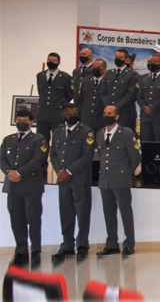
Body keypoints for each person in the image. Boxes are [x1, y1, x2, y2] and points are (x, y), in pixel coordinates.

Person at [2, 109, 48, 267]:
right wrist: (10, 174)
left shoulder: (39, 139)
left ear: (31, 122)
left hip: (31, 186)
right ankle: (21, 248)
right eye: (19, 119)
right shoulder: (8, 140)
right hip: (13, 186)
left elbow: (38, 160)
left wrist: (19, 173)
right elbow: (2, 159)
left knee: (34, 219)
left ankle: (35, 249)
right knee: (16, 219)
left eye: (25, 120)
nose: (21, 122)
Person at [50, 103, 95, 264]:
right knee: (66, 213)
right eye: (69, 114)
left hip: (79, 178)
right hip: (63, 180)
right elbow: (53, 154)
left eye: (75, 113)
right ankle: (67, 244)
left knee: (82, 212)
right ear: (63, 116)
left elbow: (87, 155)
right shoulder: (58, 132)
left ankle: (82, 244)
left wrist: (68, 172)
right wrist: (59, 171)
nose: (72, 116)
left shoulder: (86, 131)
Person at [96, 104, 142, 257]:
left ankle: (129, 244)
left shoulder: (126, 134)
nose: (105, 115)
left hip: (121, 179)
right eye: (104, 113)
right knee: (108, 213)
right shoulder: (100, 133)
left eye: (109, 113)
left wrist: (125, 173)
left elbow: (135, 157)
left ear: (117, 117)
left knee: (125, 212)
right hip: (105, 180)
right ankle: (111, 244)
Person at [36, 52, 74, 146]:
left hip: (57, 115)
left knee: (58, 141)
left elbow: (70, 94)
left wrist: (60, 104)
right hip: (43, 114)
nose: (51, 62)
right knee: (41, 141)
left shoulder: (65, 77)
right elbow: (41, 93)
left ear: (58, 62)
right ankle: (42, 160)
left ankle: (56, 160)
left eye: (54, 60)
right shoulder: (40, 76)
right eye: (49, 60)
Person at [137, 55, 160, 142]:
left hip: (159, 116)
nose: (151, 64)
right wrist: (145, 108)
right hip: (145, 116)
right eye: (149, 62)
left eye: (154, 62)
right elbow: (139, 96)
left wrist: (152, 108)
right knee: (145, 143)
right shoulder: (144, 78)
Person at [103, 49, 138, 131]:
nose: (117, 59)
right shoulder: (108, 73)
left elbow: (131, 94)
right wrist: (108, 107)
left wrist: (116, 108)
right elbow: (102, 92)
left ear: (126, 59)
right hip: (108, 114)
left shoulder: (132, 74)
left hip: (125, 113)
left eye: (120, 57)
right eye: (116, 57)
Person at [76, 58, 108, 131]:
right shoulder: (86, 81)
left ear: (104, 69)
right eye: (93, 67)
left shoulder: (107, 82)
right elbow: (80, 99)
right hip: (87, 119)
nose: (95, 69)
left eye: (98, 67)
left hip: (101, 119)